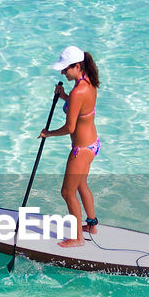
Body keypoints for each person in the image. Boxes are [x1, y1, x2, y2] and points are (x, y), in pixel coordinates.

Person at [39, 45, 100, 247]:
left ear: (76, 65)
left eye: (65, 69)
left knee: (67, 192)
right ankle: (91, 224)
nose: (63, 72)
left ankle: (77, 238)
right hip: (93, 145)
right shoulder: (88, 82)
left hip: (80, 151)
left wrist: (48, 133)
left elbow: (70, 127)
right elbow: (80, 107)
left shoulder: (78, 91)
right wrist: (64, 96)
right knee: (81, 184)